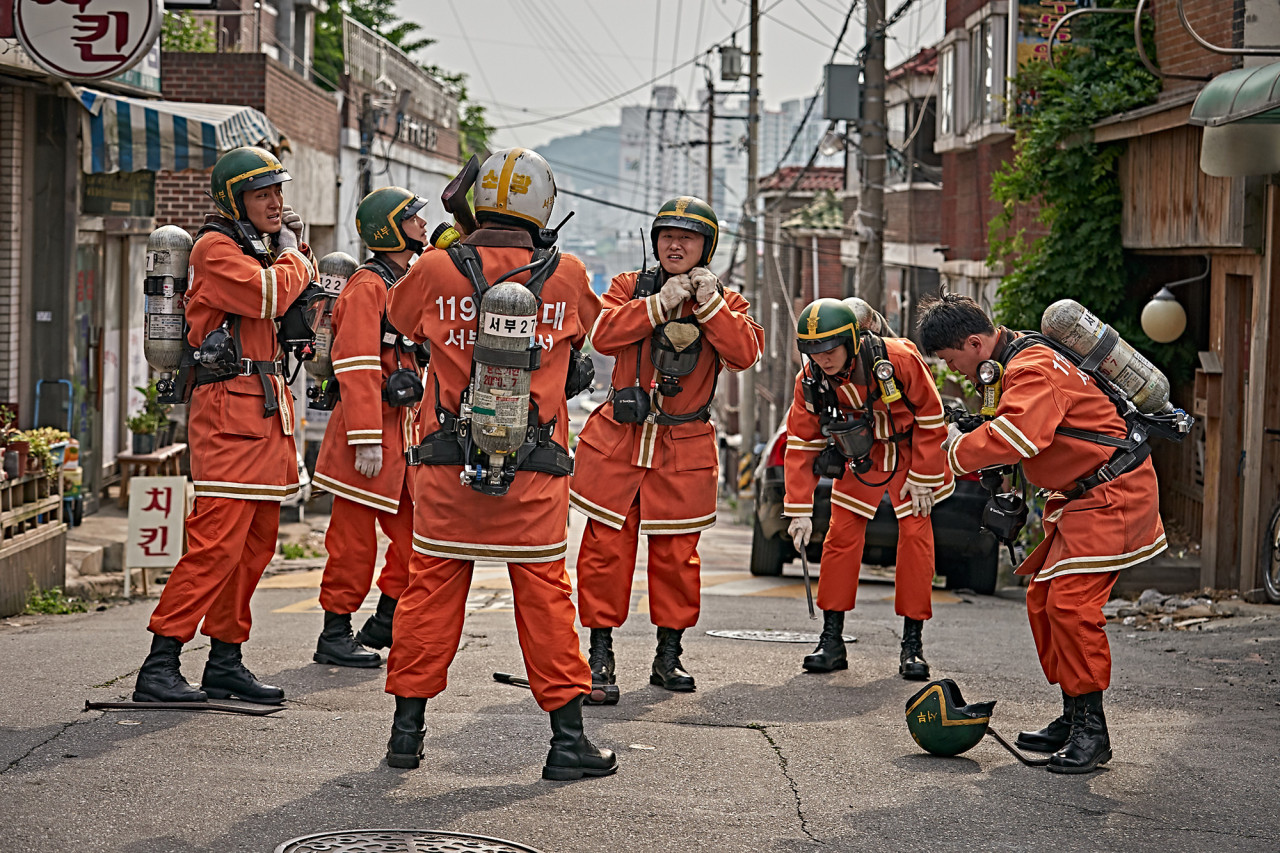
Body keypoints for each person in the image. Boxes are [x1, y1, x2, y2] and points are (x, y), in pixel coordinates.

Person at [382, 147, 615, 781]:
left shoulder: (435, 267)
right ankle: (567, 742)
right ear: (543, 206)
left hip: (446, 470)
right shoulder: (567, 273)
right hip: (534, 475)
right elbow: (589, 334)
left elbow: (400, 319)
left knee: (428, 596)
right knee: (546, 602)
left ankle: (406, 735)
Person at [916, 292, 1166, 774]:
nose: (955, 371)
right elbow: (1016, 426)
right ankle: (1074, 715)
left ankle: (1093, 733)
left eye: (951, 360)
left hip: (1112, 494)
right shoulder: (1013, 360)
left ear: (974, 343)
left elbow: (1018, 436)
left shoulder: (1031, 368)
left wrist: (954, 448)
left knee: (1071, 606)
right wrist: (976, 429)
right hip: (1084, 497)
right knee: (1043, 600)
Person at [133, 146, 316, 705]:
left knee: (254, 547)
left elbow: (293, 297)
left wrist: (290, 253)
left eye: (278, 192)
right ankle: (160, 663)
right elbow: (268, 295)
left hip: (264, 412)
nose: (275, 202)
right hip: (229, 415)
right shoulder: (215, 248)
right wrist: (296, 255)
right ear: (234, 199)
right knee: (215, 546)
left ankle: (225, 660)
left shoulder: (258, 247)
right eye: (262, 194)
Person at [570, 196, 763, 703]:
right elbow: (601, 336)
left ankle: (668, 654)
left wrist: (709, 304)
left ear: (707, 247)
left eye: (688, 238)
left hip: (682, 445)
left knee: (678, 557)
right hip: (620, 440)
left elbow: (744, 353)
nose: (675, 245)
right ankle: (600, 654)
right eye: (667, 236)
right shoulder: (628, 287)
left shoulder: (728, 300)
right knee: (604, 553)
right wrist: (658, 303)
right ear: (655, 242)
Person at [782, 298, 952, 681]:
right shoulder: (810, 380)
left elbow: (931, 416)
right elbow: (802, 442)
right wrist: (799, 508)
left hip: (910, 454)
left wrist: (925, 476)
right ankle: (831, 640)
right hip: (862, 456)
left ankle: (913, 645)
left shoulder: (899, 359)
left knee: (916, 540)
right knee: (840, 537)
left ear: (851, 339)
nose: (822, 358)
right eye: (813, 350)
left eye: (830, 348)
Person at [310, 187, 428, 668]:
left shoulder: (408, 280)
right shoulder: (367, 285)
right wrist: (365, 439)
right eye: (414, 218)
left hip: (402, 436)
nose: (423, 225)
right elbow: (356, 364)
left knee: (420, 539)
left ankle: (384, 620)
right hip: (367, 438)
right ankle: (334, 633)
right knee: (352, 546)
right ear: (391, 229)